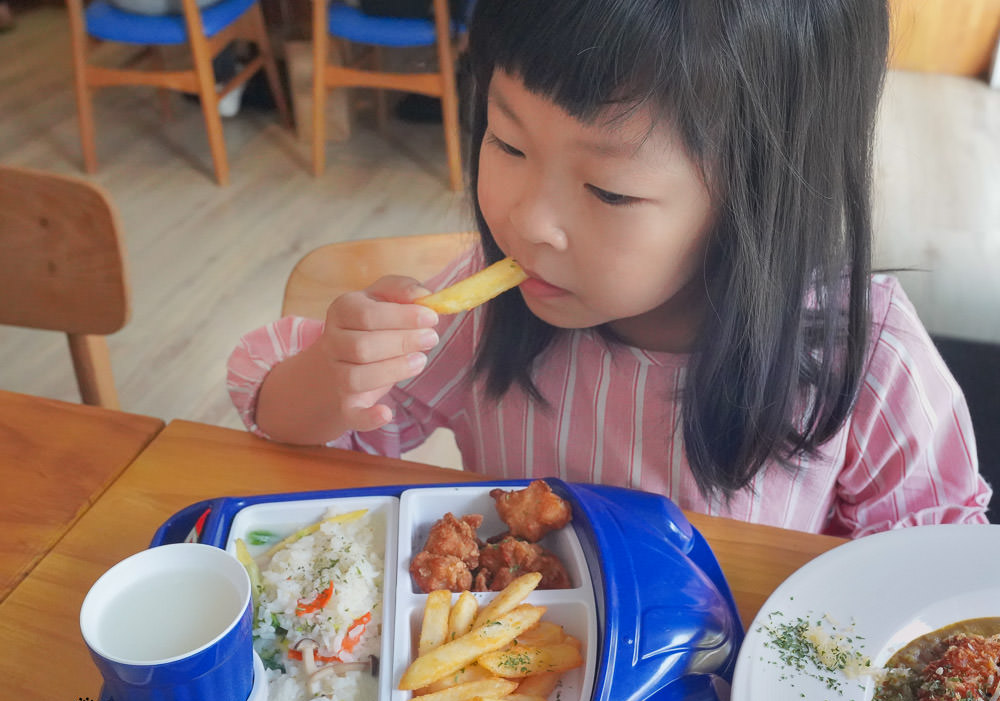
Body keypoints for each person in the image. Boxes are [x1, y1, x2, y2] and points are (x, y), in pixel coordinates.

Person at [228, 0, 991, 538]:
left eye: (609, 189)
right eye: (507, 142)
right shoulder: (484, 313)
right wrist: (337, 376)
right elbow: (287, 435)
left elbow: (931, 563)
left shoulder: (865, 356)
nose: (527, 222)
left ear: (762, 196)